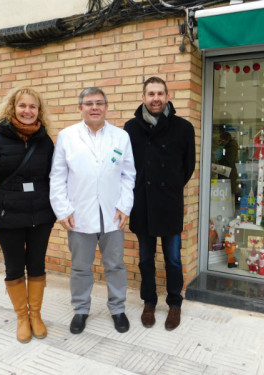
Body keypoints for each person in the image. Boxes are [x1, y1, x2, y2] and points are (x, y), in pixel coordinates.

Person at [49, 87, 136, 334]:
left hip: (113, 215)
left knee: (116, 265)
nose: (94, 107)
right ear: (81, 108)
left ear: (107, 107)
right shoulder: (67, 136)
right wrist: (62, 210)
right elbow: (57, 176)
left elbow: (129, 175)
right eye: (89, 103)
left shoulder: (121, 137)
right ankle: (80, 310)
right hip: (79, 216)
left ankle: (118, 309)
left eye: (99, 103)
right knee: (79, 267)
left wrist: (124, 206)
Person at [0, 87, 57, 344]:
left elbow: (54, 179)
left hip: (41, 215)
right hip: (7, 215)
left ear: (39, 110)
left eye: (33, 106)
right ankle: (22, 316)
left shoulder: (46, 141)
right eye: (23, 106)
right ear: (12, 108)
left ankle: (36, 315)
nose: (28, 111)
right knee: (13, 266)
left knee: (37, 264)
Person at [124, 77, 195, 331]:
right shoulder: (130, 128)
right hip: (142, 203)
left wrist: (172, 186)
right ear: (143, 97)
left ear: (167, 96)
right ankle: (149, 302)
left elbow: (188, 167)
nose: (155, 98)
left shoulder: (183, 128)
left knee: (173, 259)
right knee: (145, 259)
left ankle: (175, 303)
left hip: (169, 203)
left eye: (160, 93)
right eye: (151, 93)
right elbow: (126, 167)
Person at [218, 131, 240, 197]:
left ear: (227, 139)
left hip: (229, 174)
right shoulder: (228, 147)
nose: (221, 143)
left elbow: (229, 161)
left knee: (229, 195)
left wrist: (220, 162)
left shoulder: (231, 148)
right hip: (228, 174)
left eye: (222, 140)